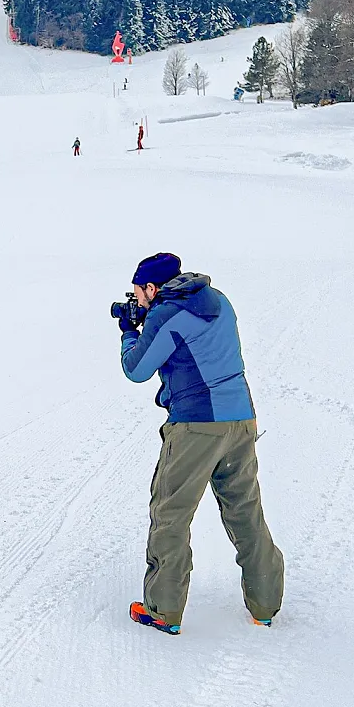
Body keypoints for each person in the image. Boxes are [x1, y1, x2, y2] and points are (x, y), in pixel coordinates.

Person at [118, 252, 284, 636]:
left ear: (152, 287)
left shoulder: (165, 314)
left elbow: (136, 369)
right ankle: (265, 605)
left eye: (139, 292)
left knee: (171, 514)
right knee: (245, 511)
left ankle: (163, 610)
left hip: (197, 426)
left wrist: (130, 332)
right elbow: (199, 343)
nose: (137, 300)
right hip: (241, 418)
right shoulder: (218, 300)